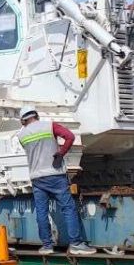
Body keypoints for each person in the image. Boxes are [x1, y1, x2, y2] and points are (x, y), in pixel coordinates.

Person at [15, 107, 96, 256]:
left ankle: (47, 246)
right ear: (36, 115)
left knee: (41, 211)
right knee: (68, 208)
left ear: (23, 120)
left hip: (37, 177)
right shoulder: (49, 126)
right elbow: (70, 137)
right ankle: (76, 244)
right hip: (55, 174)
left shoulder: (21, 135)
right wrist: (60, 153)